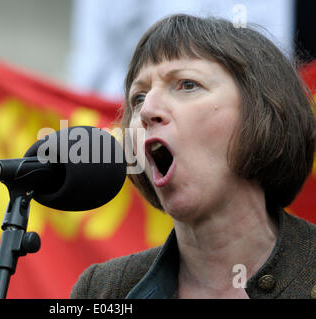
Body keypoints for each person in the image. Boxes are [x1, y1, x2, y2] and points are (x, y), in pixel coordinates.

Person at [70, 14, 316, 299]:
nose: (148, 110)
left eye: (187, 84)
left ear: (264, 111)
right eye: (138, 97)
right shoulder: (102, 290)